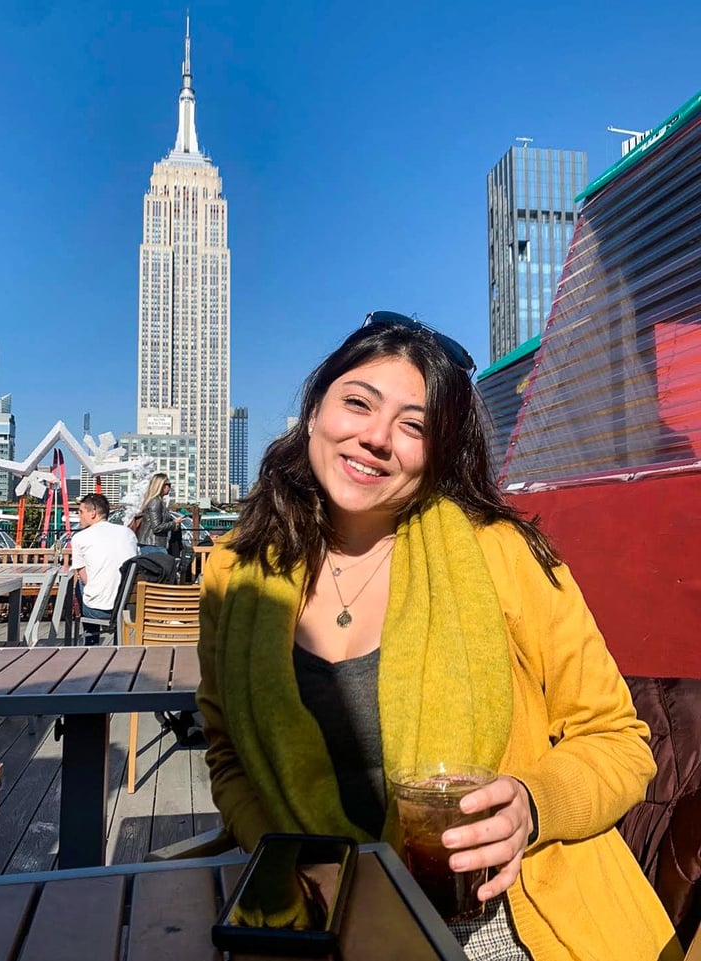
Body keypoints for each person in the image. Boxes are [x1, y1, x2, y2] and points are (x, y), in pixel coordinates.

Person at [197, 311, 682, 961]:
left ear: (440, 452)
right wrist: (288, 858)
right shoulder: (234, 573)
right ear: (315, 412)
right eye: (358, 403)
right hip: (321, 920)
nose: (376, 437)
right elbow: (228, 756)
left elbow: (620, 741)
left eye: (413, 425)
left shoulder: (500, 553)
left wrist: (533, 806)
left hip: (509, 923)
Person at [71, 492, 138, 645]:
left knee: (79, 584)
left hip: (98, 610)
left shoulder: (80, 538)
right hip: (128, 606)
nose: (78, 516)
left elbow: (85, 579)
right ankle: (117, 641)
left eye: (81, 512)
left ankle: (91, 641)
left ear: (93, 512)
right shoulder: (128, 533)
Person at [134, 472, 181, 555]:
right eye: (168, 484)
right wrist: (174, 523)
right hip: (153, 545)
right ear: (161, 485)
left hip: (154, 545)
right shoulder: (155, 502)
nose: (170, 487)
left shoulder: (158, 501)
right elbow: (156, 527)